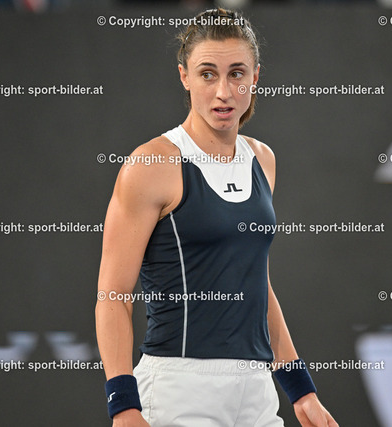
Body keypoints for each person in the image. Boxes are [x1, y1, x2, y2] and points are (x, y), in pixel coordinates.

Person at [95, 8, 338, 427]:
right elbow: (113, 295)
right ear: (184, 77)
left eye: (236, 73)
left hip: (256, 391)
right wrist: (123, 406)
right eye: (207, 74)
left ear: (255, 77)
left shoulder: (262, 159)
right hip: (177, 390)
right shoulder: (151, 164)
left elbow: (255, 285)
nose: (223, 92)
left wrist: (301, 390)